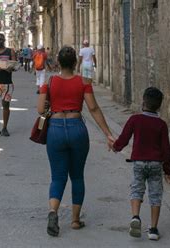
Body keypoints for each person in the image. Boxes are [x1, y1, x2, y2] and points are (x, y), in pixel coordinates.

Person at [37, 46, 115, 237]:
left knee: (57, 177)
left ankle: (53, 212)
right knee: (77, 176)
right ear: (74, 63)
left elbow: (40, 110)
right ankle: (74, 220)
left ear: (58, 62)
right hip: (76, 127)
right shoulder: (83, 82)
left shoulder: (50, 82)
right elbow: (94, 108)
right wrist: (108, 134)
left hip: (55, 129)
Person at [111, 87, 170, 241]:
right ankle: (153, 229)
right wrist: (168, 170)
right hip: (155, 164)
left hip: (138, 163)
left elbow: (124, 138)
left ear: (143, 102)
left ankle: (135, 217)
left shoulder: (135, 119)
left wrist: (115, 147)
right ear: (159, 106)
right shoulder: (161, 125)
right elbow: (166, 150)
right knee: (155, 195)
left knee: (136, 189)